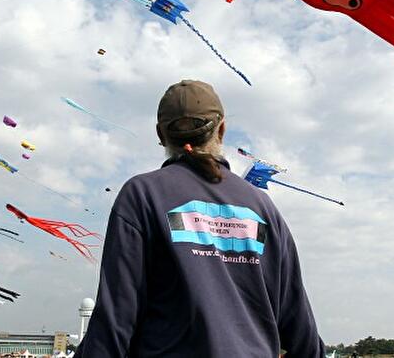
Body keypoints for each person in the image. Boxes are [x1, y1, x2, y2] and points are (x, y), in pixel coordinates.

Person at [77, 80, 325, 357]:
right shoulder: (261, 205)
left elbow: (114, 321)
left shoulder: (142, 195)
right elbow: (300, 326)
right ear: (221, 130)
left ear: (161, 134)